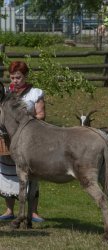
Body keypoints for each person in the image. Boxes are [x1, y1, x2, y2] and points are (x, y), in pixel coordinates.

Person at [0, 61, 45, 222]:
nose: (15, 81)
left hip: (30, 139)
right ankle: (9, 210)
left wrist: (26, 119)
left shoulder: (35, 93)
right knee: (8, 172)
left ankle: (33, 212)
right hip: (9, 139)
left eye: (18, 77)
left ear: (25, 76)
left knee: (31, 173)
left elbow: (41, 115)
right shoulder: (6, 92)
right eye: (12, 77)